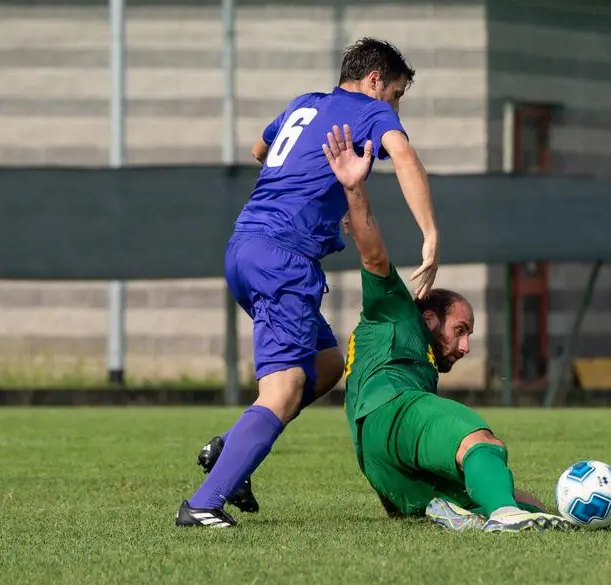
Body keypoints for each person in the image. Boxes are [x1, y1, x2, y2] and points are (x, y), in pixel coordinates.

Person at [176, 38, 440, 527]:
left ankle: (229, 450)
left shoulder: (305, 104)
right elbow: (404, 157)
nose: (396, 107)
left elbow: (260, 148)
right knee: (285, 385)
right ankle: (204, 504)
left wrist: (314, 189)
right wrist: (430, 236)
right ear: (375, 80)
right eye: (397, 94)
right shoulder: (369, 110)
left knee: (324, 364)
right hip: (283, 259)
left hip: (245, 246)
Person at [324, 124, 572, 532]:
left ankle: (462, 509)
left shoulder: (418, 362)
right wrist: (354, 189)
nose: (466, 345)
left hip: (380, 466)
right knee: (480, 442)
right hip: (392, 411)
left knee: (522, 499)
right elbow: (373, 256)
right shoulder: (397, 310)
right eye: (461, 329)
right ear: (429, 318)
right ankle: (504, 517)